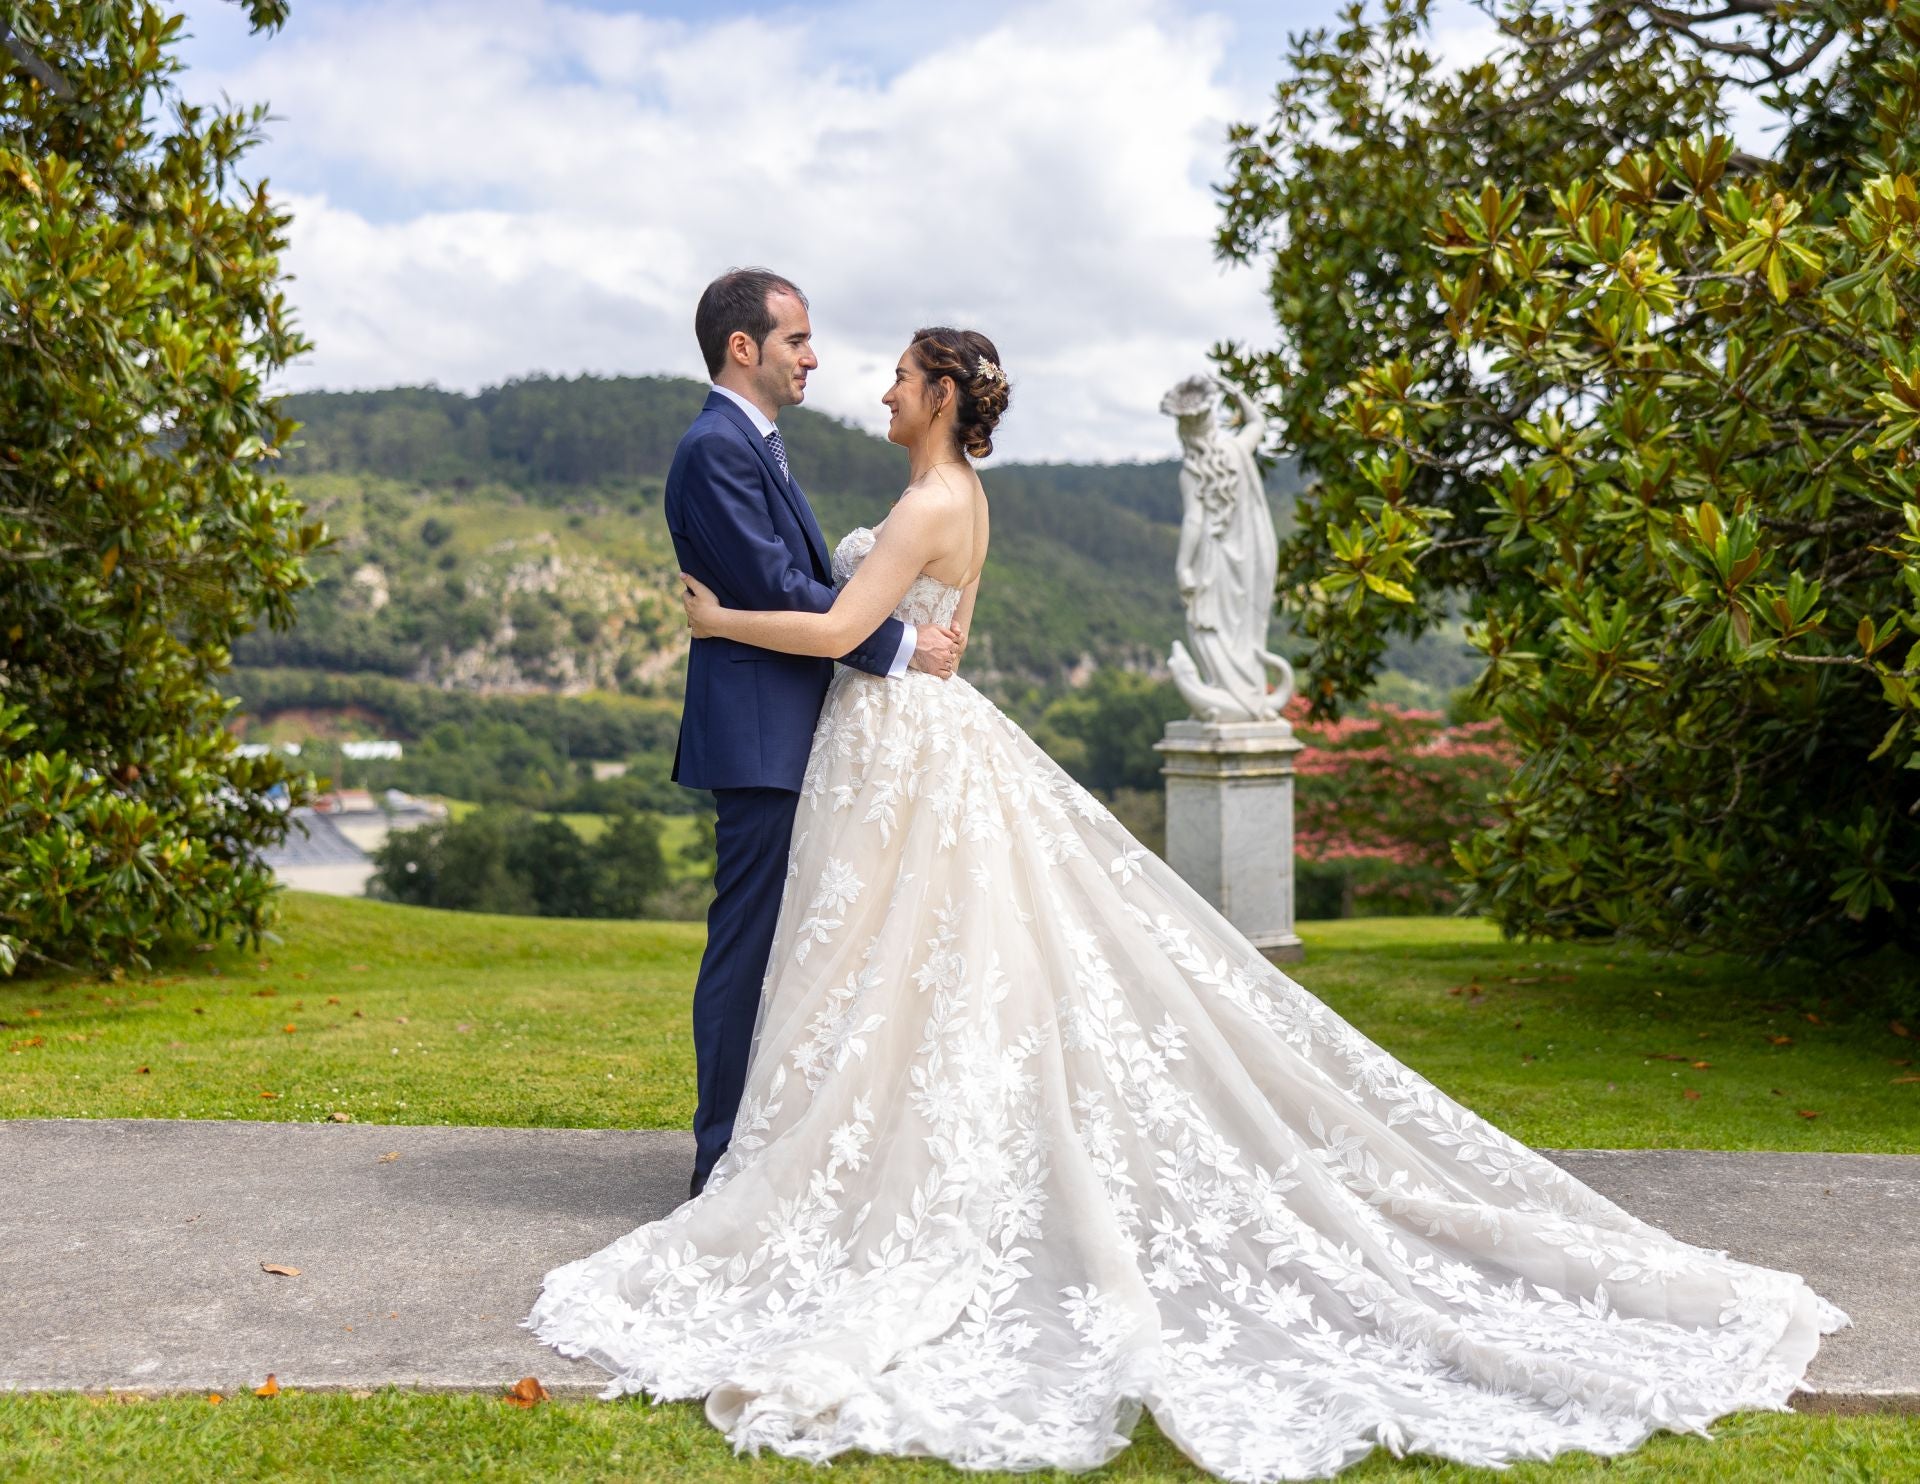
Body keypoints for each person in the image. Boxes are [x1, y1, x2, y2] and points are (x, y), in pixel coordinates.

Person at [526, 326, 1846, 1481]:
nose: (874, 385)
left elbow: (829, 631)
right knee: (904, 973)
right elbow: (931, 636)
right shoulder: (956, 494)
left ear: (939, 391)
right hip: (914, 742)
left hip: (901, 752)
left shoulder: (929, 505)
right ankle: (845, 1154)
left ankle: (849, 1177)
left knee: (896, 969)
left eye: (895, 374)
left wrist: (716, 625)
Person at [661, 269, 962, 1199]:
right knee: (749, 943)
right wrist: (906, 642)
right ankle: (721, 1160)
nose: (814, 357)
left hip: (803, 728)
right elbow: (779, 589)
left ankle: (776, 1139)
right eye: (797, 340)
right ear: (743, 347)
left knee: (802, 946)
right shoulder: (716, 448)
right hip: (760, 737)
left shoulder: (759, 445)